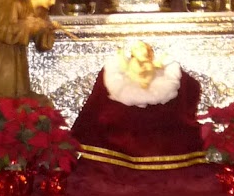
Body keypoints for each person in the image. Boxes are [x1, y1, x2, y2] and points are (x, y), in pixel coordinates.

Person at [71, 40, 204, 172]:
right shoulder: (126, 65)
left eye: (143, 48)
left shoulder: (153, 65)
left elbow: (158, 67)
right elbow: (123, 67)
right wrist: (121, 57)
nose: (140, 51)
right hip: (130, 87)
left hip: (151, 87)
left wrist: (155, 67)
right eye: (137, 49)